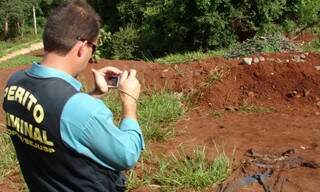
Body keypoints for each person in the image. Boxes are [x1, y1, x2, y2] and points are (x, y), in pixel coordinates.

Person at [2, 1, 144, 191]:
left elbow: (54, 118)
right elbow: (128, 154)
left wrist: (93, 95)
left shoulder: (14, 83)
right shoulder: (81, 110)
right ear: (82, 47)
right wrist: (129, 102)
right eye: (93, 47)